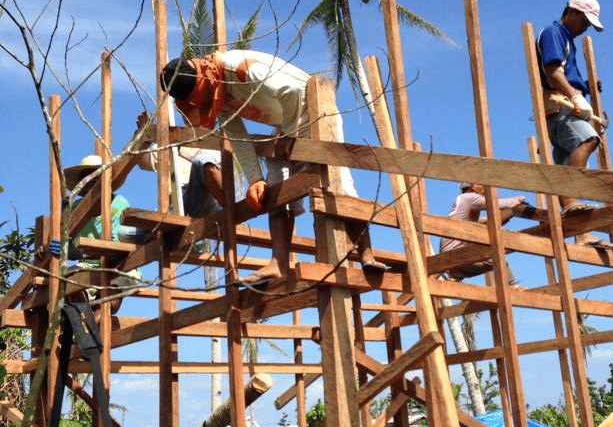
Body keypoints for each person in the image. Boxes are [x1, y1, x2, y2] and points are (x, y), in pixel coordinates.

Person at [160, 50, 389, 288]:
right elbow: (237, 136)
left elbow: (292, 92)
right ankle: (279, 263)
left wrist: (289, 134)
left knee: (337, 183)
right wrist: (255, 179)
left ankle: (366, 254)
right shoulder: (217, 91)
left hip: (316, 113)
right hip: (285, 126)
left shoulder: (240, 69)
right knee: (276, 188)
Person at [535, 0, 613, 250]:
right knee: (588, 140)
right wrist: (575, 95)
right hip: (561, 105)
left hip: (566, 102)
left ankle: (582, 234)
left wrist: (585, 86)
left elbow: (566, 72)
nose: (586, 28)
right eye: (585, 22)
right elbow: (553, 72)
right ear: (573, 12)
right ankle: (570, 201)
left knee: (566, 164)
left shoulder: (568, 40)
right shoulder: (553, 33)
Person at [50, 154, 149, 311]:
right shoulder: (75, 209)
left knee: (111, 298)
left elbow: (120, 240)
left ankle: (96, 318)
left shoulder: (117, 203)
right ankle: (83, 315)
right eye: (88, 179)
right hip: (87, 266)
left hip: (118, 262)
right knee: (68, 282)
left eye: (97, 178)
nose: (93, 184)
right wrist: (60, 247)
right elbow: (67, 243)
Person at [439, 183, 530, 283]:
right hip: (456, 257)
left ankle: (456, 275)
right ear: (472, 187)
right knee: (496, 256)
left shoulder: (462, 207)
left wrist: (507, 214)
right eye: (481, 185)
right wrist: (517, 200)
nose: (485, 188)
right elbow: (493, 204)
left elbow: (485, 221)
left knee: (492, 254)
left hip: (451, 261)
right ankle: (512, 286)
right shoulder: (469, 197)